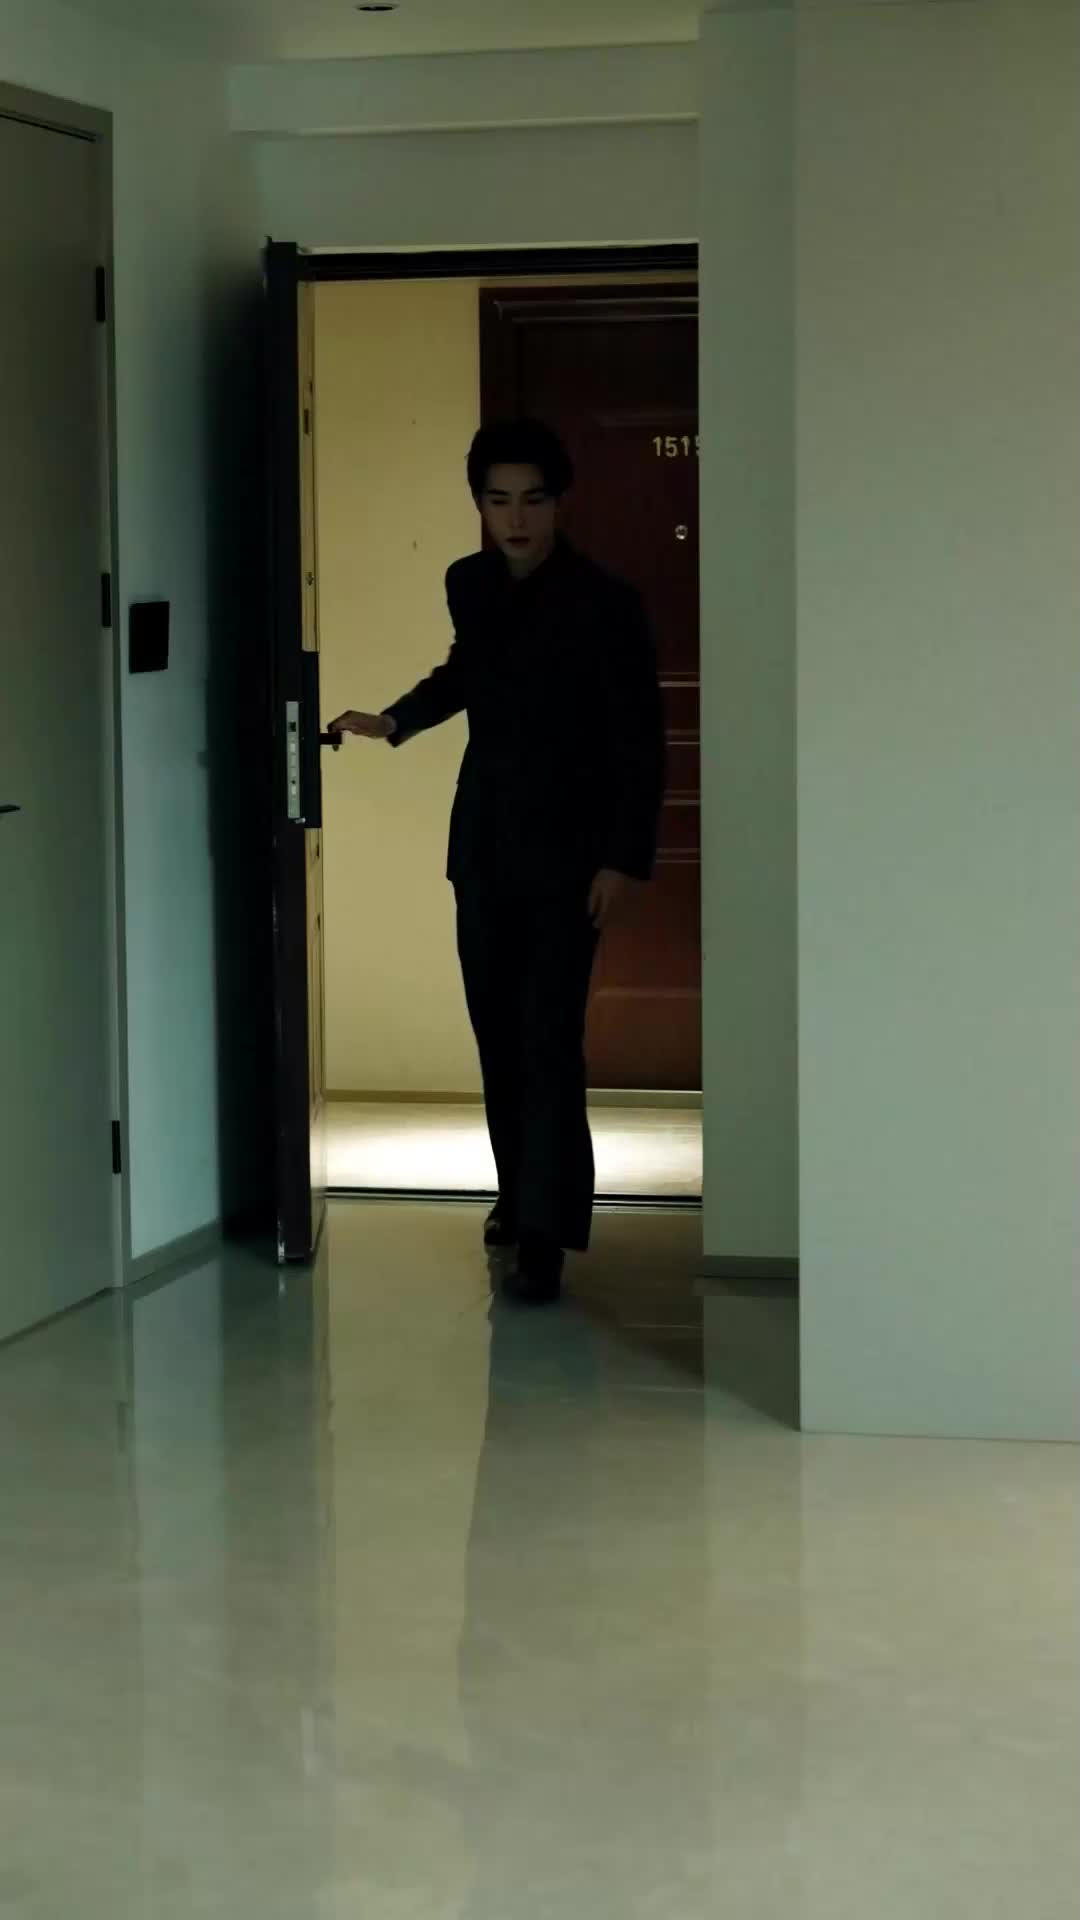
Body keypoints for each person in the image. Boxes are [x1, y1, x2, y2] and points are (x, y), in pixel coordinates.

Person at [328, 419, 664, 1305]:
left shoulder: (606, 601)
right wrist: (395, 720)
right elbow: (466, 673)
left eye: (533, 500)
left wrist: (623, 860)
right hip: (483, 846)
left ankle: (547, 1237)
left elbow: (639, 740)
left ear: (559, 503)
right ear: (479, 503)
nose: (515, 519)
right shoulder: (469, 583)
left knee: (548, 1041)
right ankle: (518, 1199)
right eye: (498, 500)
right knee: (499, 1037)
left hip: (572, 859)